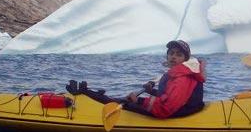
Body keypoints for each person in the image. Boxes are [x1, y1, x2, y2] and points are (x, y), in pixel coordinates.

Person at [67, 40, 206, 119]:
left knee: (125, 103)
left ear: (185, 59)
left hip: (177, 112)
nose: (173, 57)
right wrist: (152, 92)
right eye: (171, 53)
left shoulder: (182, 78)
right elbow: (171, 97)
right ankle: (88, 94)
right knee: (124, 100)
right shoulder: (180, 73)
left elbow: (167, 108)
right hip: (181, 108)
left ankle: (87, 95)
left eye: (179, 54)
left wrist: (140, 101)